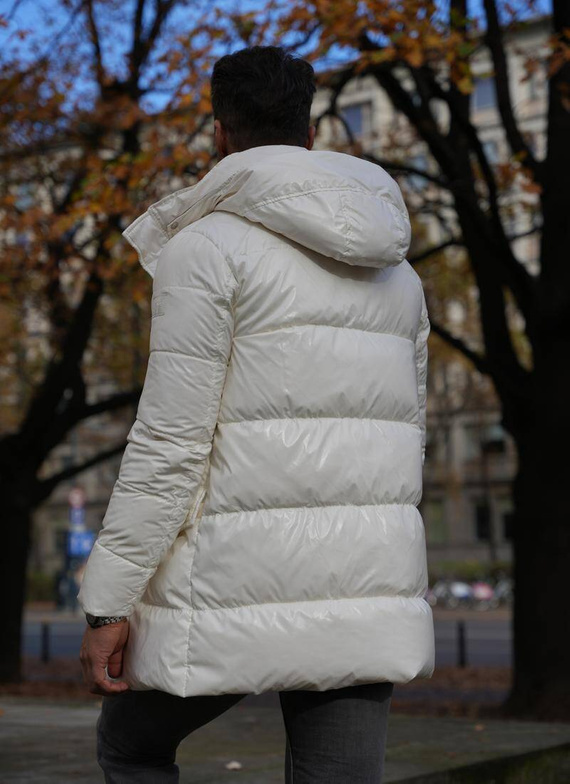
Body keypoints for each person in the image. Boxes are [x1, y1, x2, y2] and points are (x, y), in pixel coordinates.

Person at [78, 45, 434, 783]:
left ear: (219, 133)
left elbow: (171, 441)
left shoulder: (205, 247)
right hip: (363, 578)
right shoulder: (396, 268)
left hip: (229, 584)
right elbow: (410, 432)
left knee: (131, 745)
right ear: (309, 132)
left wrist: (106, 604)